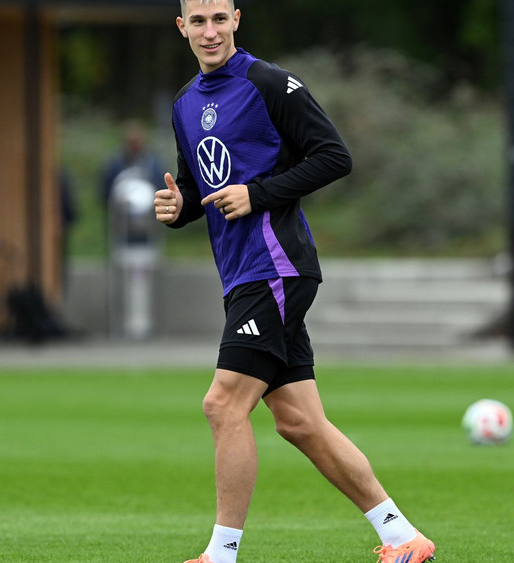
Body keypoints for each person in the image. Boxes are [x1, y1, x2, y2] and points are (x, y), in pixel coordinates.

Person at [154, 1, 436, 562]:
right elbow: (201, 186)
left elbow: (334, 156)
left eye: (219, 19)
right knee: (300, 422)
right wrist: (180, 205)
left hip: (276, 266)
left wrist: (258, 194)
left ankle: (221, 554)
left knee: (222, 405)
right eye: (198, 21)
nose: (210, 32)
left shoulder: (269, 83)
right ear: (181, 27)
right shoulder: (186, 104)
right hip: (242, 274)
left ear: (237, 18)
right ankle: (402, 538)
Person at [101, 119, 164, 204]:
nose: (134, 146)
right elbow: (106, 189)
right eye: (131, 142)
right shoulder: (115, 163)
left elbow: (161, 185)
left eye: (136, 142)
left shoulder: (153, 163)